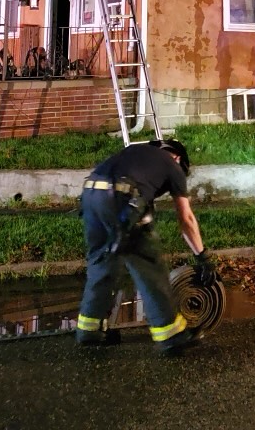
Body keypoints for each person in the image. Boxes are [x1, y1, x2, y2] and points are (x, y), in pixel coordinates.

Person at [75, 138, 217, 356]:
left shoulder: (136, 152)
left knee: (102, 262)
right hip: (121, 199)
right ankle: (171, 335)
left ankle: (90, 330)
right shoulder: (172, 166)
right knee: (149, 264)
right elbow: (186, 219)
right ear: (178, 158)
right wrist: (202, 256)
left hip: (90, 196)